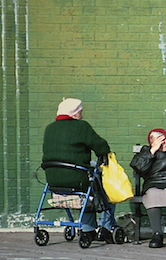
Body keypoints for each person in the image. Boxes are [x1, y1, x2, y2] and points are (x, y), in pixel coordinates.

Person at [41, 98, 116, 241]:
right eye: (80, 112)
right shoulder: (81, 126)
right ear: (74, 114)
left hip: (53, 179)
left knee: (89, 187)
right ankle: (105, 228)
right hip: (77, 177)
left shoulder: (49, 128)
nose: (82, 115)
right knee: (105, 186)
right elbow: (101, 146)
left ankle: (88, 229)